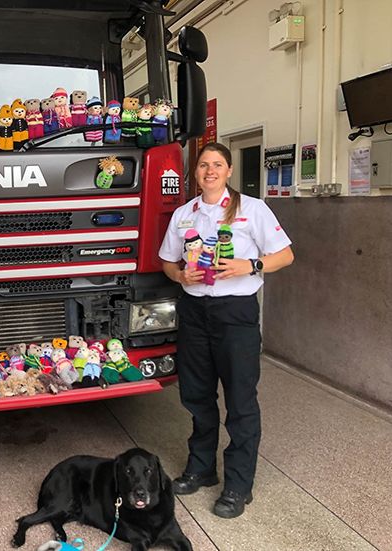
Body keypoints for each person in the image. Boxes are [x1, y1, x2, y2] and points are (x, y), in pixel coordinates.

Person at [158, 142, 294, 519]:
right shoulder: (185, 213)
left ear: (229, 170)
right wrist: (179, 274)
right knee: (197, 396)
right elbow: (167, 261)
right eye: (203, 165)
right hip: (194, 312)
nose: (210, 170)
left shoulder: (252, 209)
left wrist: (249, 265)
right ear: (195, 173)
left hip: (235, 313)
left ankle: (238, 484)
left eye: (217, 164)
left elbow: (285, 254)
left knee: (240, 401)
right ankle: (201, 468)